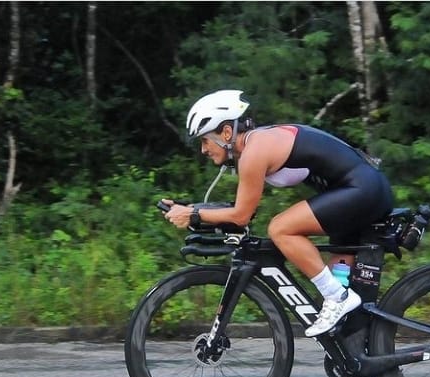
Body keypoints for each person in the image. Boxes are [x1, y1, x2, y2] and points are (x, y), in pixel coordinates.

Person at [162, 89, 393, 337]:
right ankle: (357, 350)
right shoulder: (256, 144)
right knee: (347, 311)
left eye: (205, 140)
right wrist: (192, 209)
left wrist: (194, 215)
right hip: (355, 195)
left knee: (281, 228)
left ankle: (338, 297)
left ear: (226, 132)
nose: (203, 150)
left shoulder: (254, 152)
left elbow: (240, 215)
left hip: (361, 191)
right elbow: (242, 208)